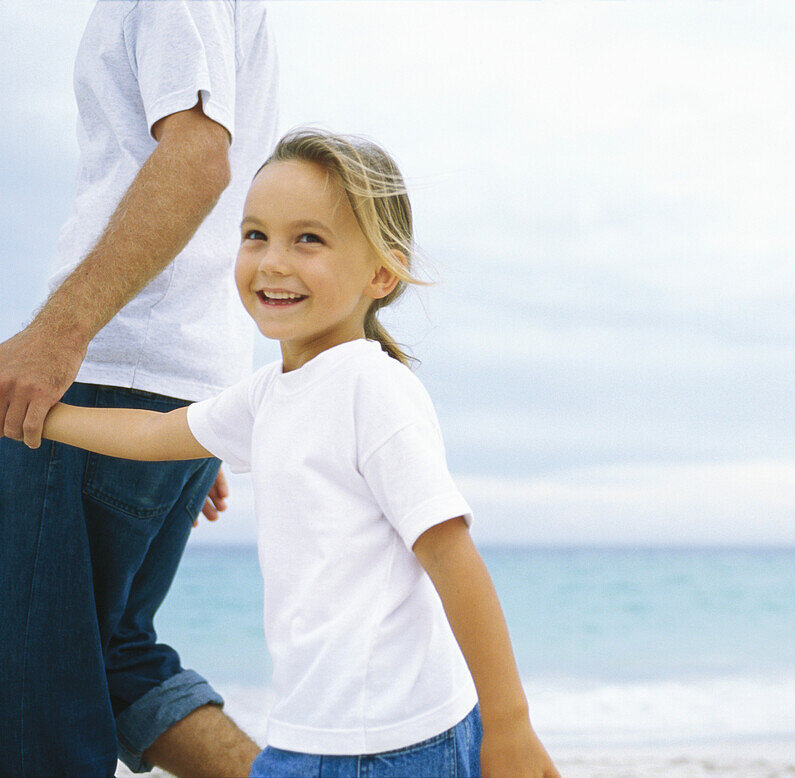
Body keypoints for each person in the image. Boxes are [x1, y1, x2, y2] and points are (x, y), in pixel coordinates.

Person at [35, 129, 561, 778]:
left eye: (307, 239)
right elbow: (152, 436)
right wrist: (35, 415)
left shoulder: (374, 389)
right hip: (306, 739)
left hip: (395, 748)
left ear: (381, 272)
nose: (272, 261)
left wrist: (508, 725)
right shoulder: (267, 395)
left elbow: (453, 557)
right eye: (255, 234)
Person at [0, 2, 277, 776]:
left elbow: (198, 160)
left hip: (109, 377)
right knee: (112, 658)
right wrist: (192, 425)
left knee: (34, 705)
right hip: (177, 388)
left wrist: (61, 331)